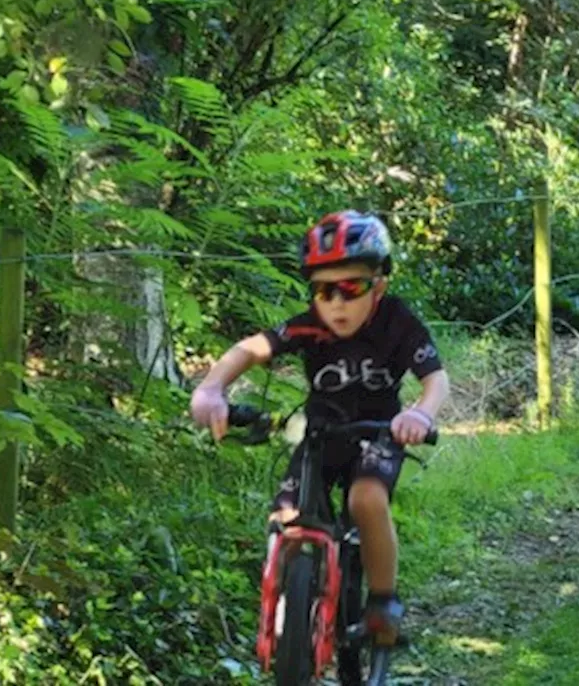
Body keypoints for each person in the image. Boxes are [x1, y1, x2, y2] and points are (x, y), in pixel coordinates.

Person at [189, 210, 450, 643]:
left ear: (379, 286)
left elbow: (435, 378)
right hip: (320, 433)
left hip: (378, 433)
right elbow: (251, 349)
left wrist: (420, 414)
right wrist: (212, 388)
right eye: (324, 290)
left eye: (352, 287)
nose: (337, 303)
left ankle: (383, 604)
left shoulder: (397, 322)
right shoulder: (309, 324)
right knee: (286, 514)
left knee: (367, 500)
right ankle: (294, 604)